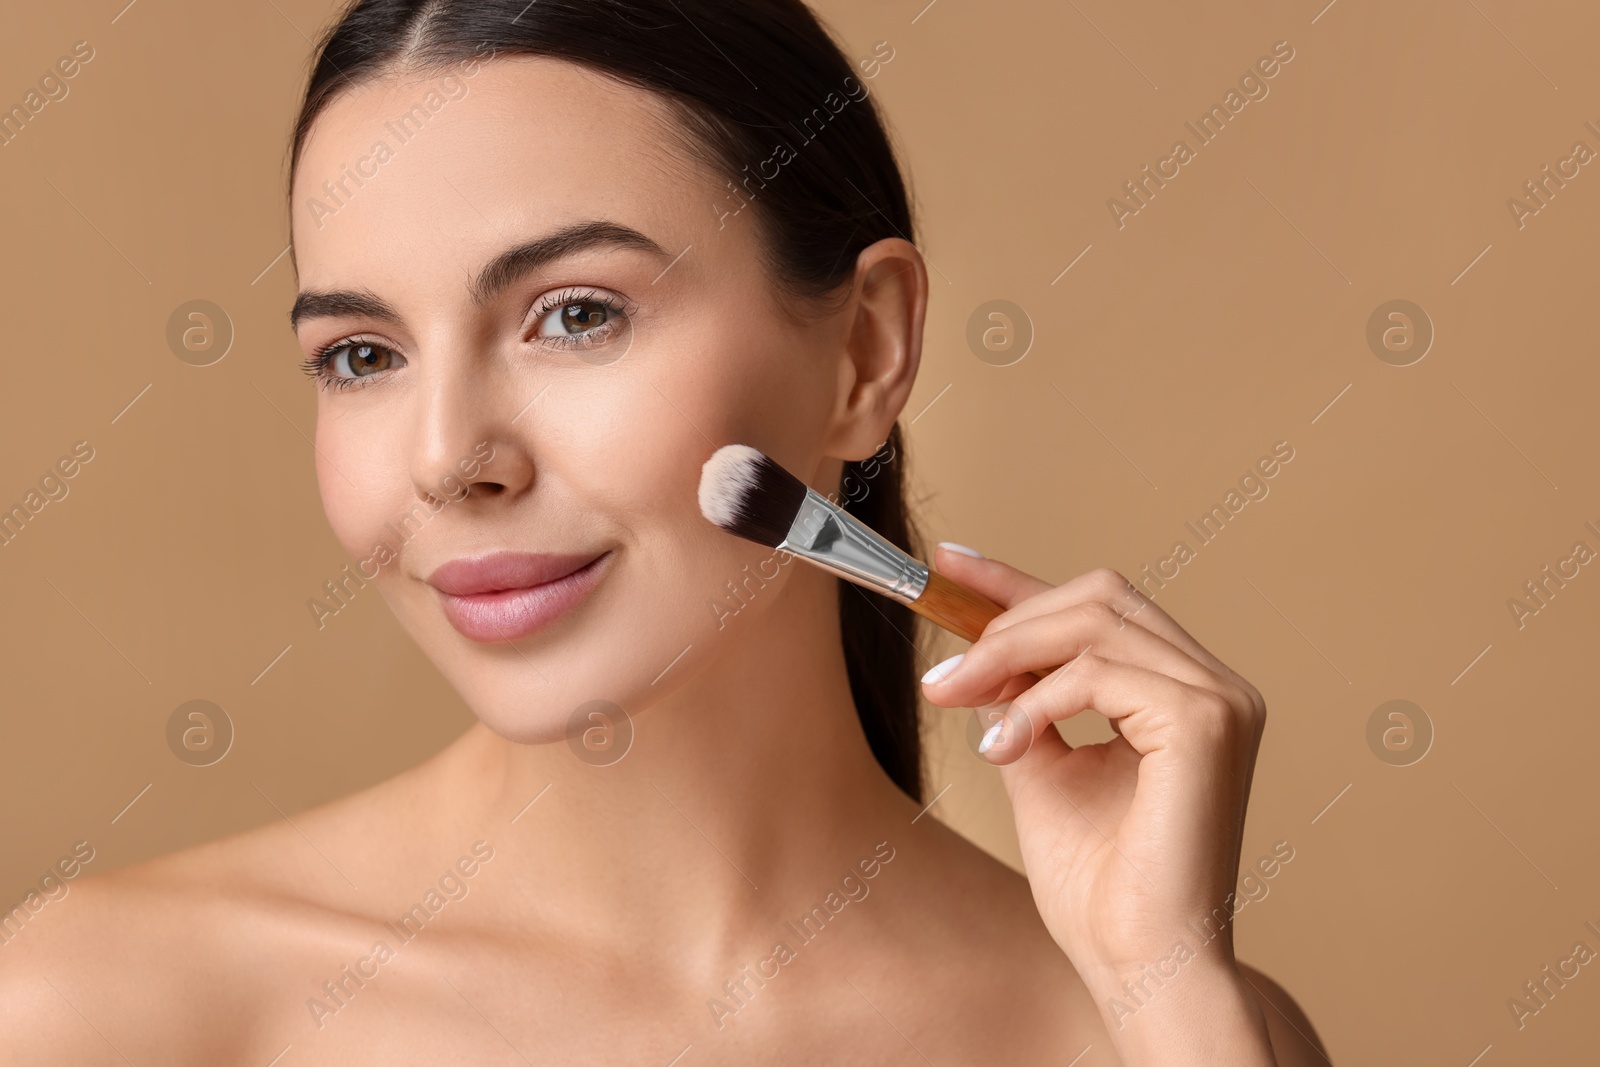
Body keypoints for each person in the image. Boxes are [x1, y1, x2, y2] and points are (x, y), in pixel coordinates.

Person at [0, 1, 1329, 1062]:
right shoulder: (98, 1014)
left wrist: (1167, 996)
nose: (449, 458)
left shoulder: (1151, 1028)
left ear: (864, 350)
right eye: (360, 355)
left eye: (576, 314)